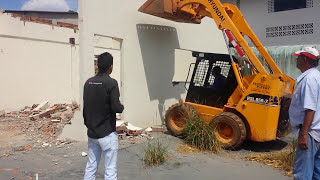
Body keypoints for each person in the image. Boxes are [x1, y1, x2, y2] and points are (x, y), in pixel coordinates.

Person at [83, 52, 124, 180]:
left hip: (92, 133)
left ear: (98, 65)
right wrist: (121, 106)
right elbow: (116, 107)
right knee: (110, 170)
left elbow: (86, 108)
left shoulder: (88, 83)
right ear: (110, 67)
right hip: (107, 133)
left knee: (91, 166)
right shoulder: (111, 83)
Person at [289, 47, 320, 180]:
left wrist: (303, 135)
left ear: (305, 59)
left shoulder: (309, 79)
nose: (297, 59)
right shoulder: (316, 76)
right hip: (316, 131)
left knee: (302, 173)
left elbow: (310, 108)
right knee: (316, 172)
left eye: (299, 57)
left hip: (310, 133)